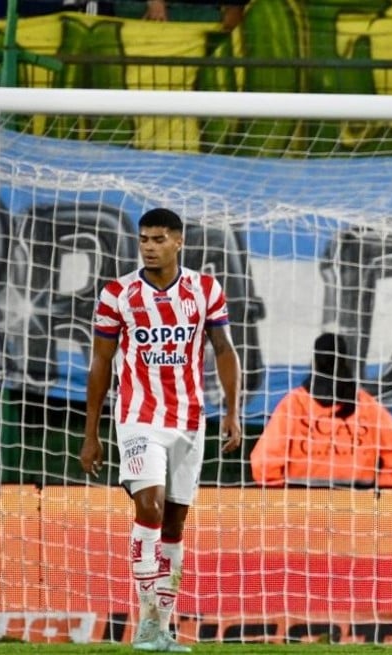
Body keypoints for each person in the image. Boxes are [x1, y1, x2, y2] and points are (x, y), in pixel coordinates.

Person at [79, 207, 243, 652]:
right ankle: (146, 626)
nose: (149, 247)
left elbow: (224, 349)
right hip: (137, 418)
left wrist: (233, 410)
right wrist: (90, 433)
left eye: (158, 239)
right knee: (148, 510)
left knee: (174, 525)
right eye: (144, 240)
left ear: (178, 241)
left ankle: (162, 629)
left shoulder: (205, 290)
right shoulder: (118, 294)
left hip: (190, 420)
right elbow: (100, 363)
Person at [250, 332, 392, 488]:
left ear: (314, 361)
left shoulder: (293, 403)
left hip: (302, 507)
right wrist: (380, 488)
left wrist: (281, 496)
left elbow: (263, 461)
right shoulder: (366, 404)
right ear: (345, 361)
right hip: (358, 508)